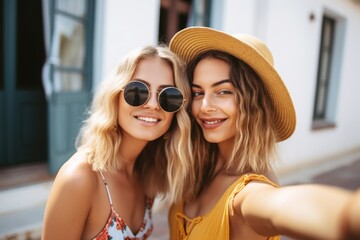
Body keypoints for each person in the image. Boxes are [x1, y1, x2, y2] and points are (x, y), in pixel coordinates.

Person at [168, 26, 360, 240]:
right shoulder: (197, 164)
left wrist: (347, 216)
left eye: (223, 91)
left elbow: (278, 209)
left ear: (253, 103)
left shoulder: (251, 190)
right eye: (198, 92)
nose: (204, 106)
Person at [42, 45, 192, 240]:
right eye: (137, 90)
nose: (153, 104)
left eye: (168, 96)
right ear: (115, 98)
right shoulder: (80, 178)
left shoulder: (147, 175)